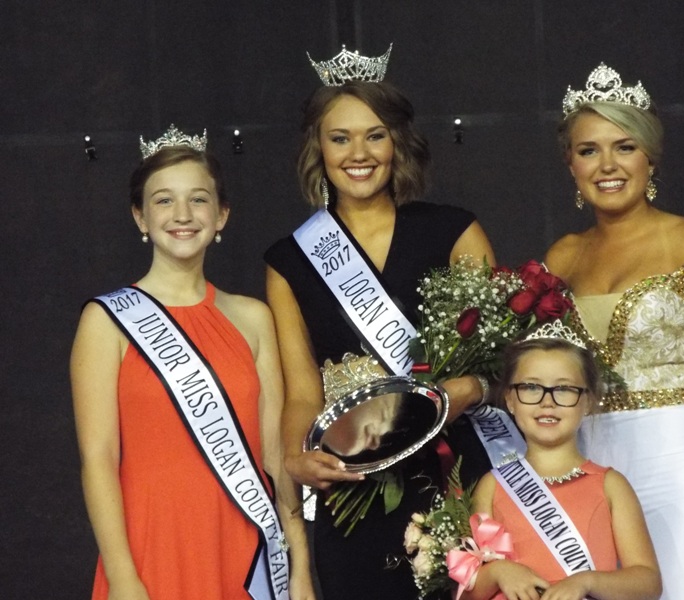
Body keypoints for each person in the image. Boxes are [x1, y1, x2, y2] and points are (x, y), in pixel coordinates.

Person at [264, 46, 495, 600]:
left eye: (375, 135)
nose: (358, 154)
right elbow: (303, 391)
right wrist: (297, 456)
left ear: (398, 143)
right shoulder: (289, 260)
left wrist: (470, 389)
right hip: (353, 487)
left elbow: (506, 358)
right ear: (318, 148)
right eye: (340, 138)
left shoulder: (454, 231)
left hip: (455, 472)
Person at [544, 63, 684, 599]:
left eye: (624, 147)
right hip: (585, 460)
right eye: (589, 150)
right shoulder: (562, 257)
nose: (607, 165)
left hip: (683, 463)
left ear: (649, 156)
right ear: (571, 164)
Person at [71, 127, 314, 600]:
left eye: (198, 200)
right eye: (163, 200)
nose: (182, 214)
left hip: (244, 548)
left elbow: (274, 457)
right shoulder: (107, 321)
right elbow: (98, 459)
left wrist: (299, 565)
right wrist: (122, 577)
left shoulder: (253, 318)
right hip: (150, 550)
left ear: (221, 215)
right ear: (140, 216)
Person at [466, 326, 661, 600]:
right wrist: (498, 572)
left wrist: (587, 581)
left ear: (588, 401)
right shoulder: (492, 486)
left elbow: (648, 583)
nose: (547, 402)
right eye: (531, 387)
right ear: (510, 399)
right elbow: (466, 593)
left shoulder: (611, 486)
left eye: (564, 389)